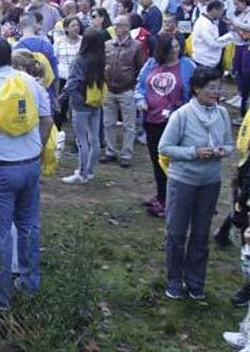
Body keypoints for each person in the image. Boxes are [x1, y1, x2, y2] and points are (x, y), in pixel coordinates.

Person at [0, 37, 52, 310]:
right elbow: (47, 120)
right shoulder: (29, 82)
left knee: (0, 233)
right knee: (29, 227)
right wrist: (35, 151)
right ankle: (30, 283)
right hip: (28, 166)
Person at [159, 66, 233, 300]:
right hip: (183, 181)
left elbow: (230, 144)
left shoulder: (222, 114)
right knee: (177, 233)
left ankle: (195, 282)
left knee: (201, 235)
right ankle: (174, 280)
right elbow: (165, 147)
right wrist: (194, 152)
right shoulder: (182, 115)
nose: (216, 92)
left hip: (210, 182)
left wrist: (222, 150)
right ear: (197, 88)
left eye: (218, 87)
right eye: (211, 88)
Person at [135, 33, 194, 218]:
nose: (175, 51)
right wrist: (140, 100)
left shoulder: (187, 65)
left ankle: (173, 200)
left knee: (172, 161)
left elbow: (195, 90)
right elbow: (140, 86)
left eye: (177, 46)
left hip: (176, 122)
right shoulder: (152, 64)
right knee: (157, 160)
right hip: (152, 119)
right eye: (171, 47)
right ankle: (161, 194)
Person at [62, 29, 106, 184]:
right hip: (96, 102)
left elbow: (72, 84)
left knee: (81, 140)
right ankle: (90, 170)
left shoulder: (79, 60)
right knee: (94, 138)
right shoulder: (101, 59)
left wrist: (70, 97)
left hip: (81, 104)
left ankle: (82, 173)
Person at [100, 15, 145, 167]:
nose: (117, 28)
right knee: (108, 122)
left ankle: (126, 154)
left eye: (121, 25)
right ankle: (110, 151)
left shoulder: (136, 46)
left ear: (128, 27)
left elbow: (141, 69)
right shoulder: (107, 45)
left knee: (129, 125)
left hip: (127, 89)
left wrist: (134, 87)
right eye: (116, 24)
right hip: (109, 89)